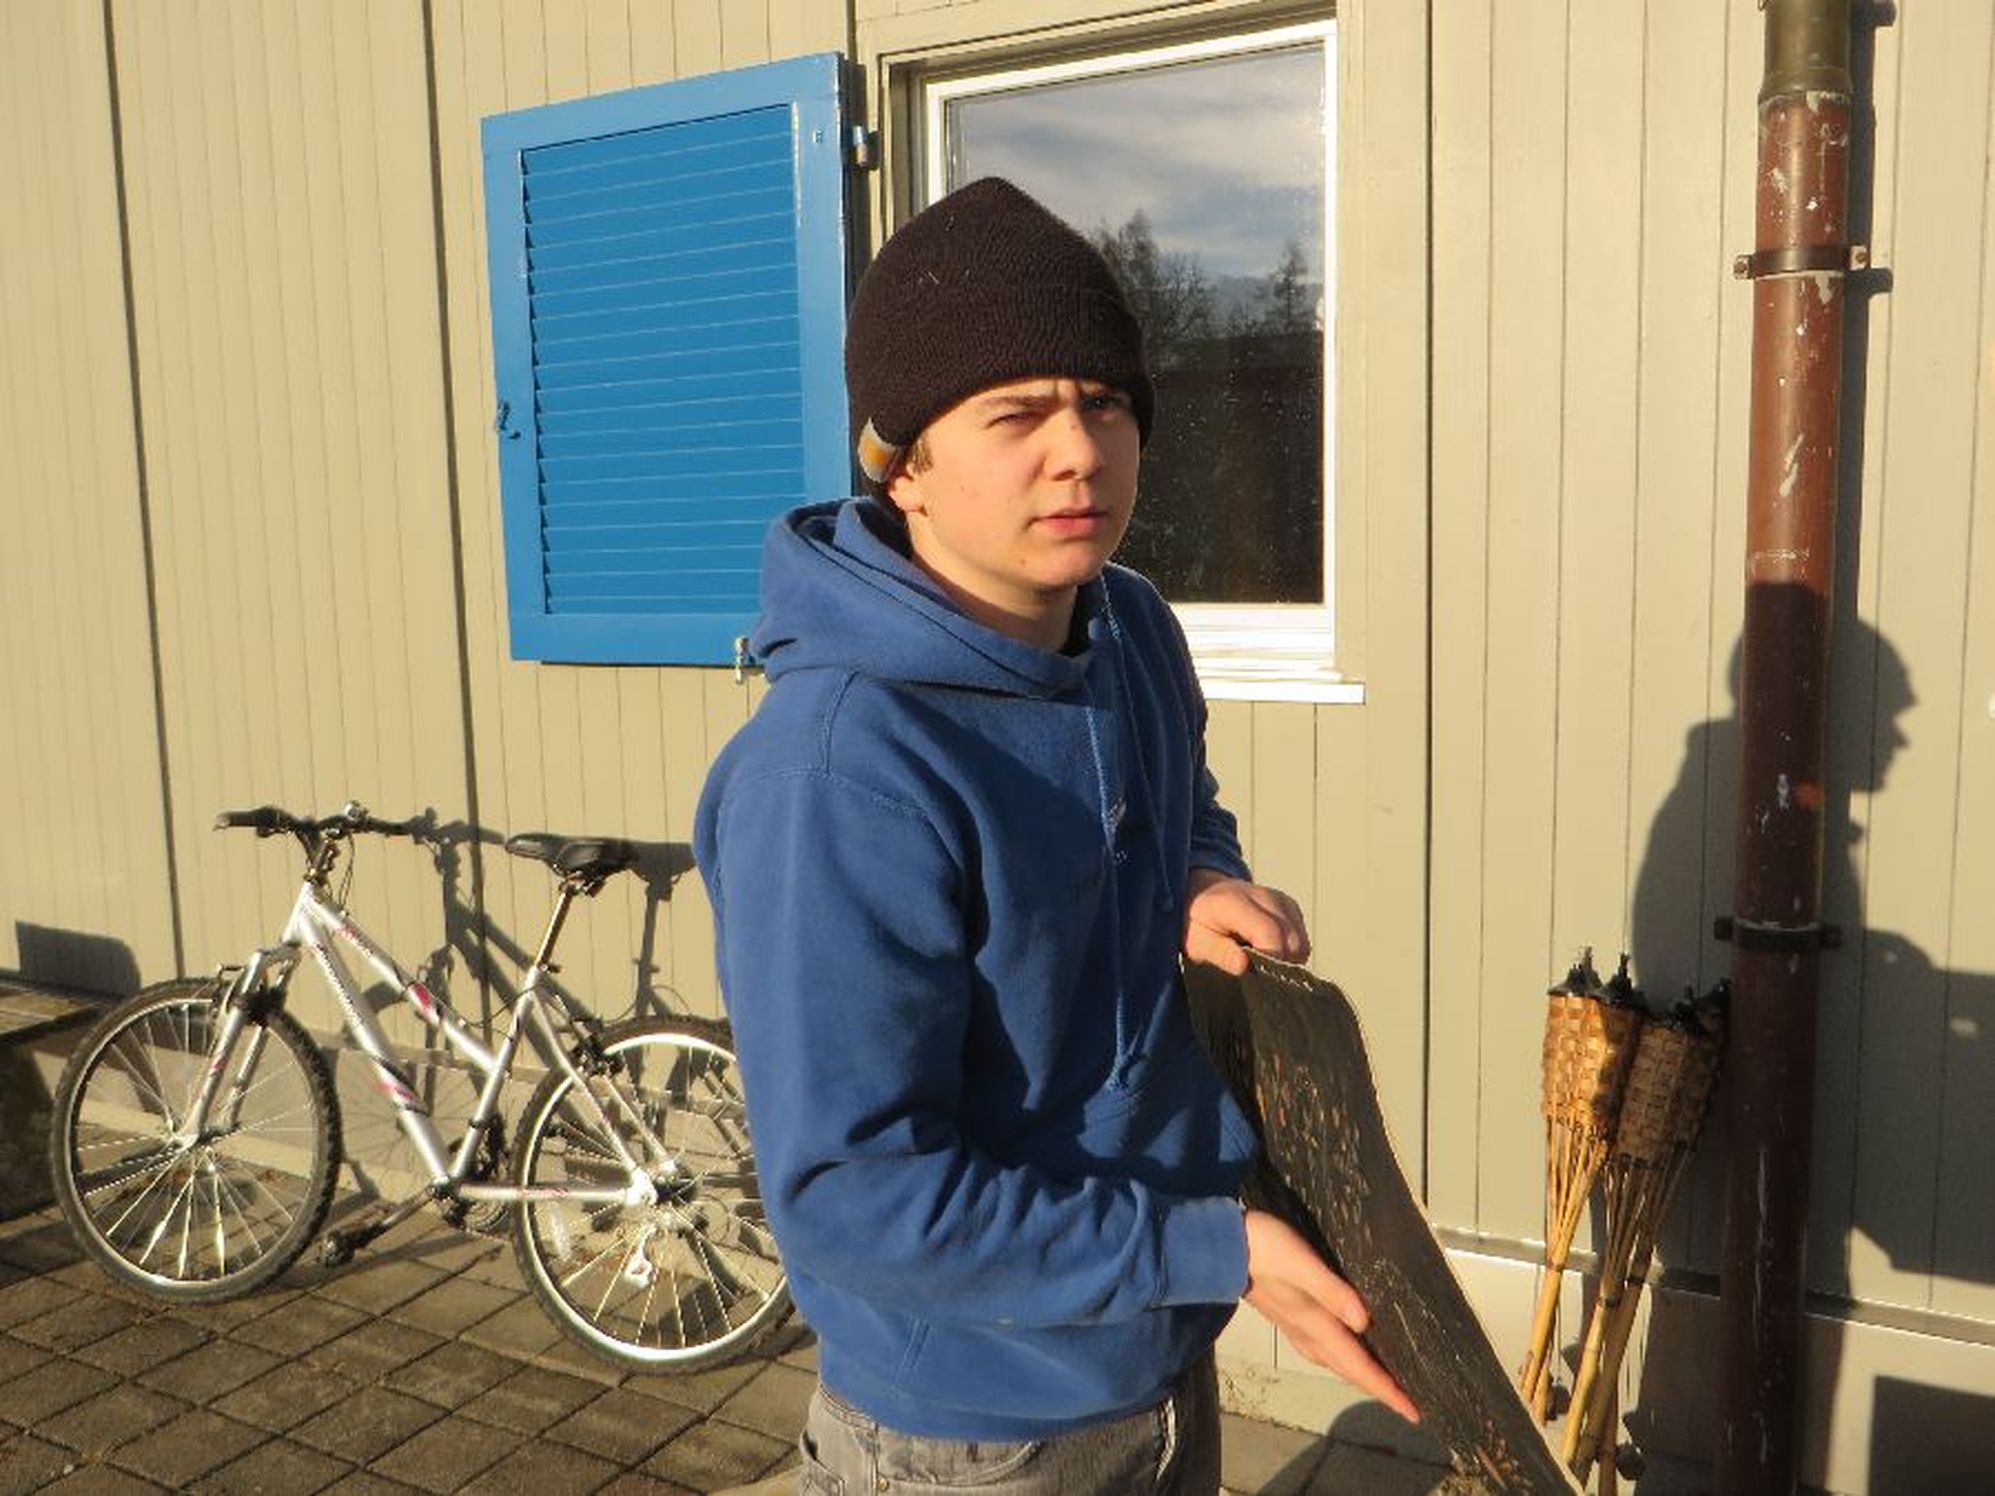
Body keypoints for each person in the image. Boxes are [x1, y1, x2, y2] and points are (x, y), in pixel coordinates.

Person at [694, 177, 1414, 1494]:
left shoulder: (1128, 624)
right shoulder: (841, 773)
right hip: (972, 1428)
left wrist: (1200, 872)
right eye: (1015, 414)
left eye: (1106, 403)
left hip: (1158, 1345)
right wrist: (1214, 1251)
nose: (1079, 450)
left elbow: (1180, 791)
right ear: (904, 463)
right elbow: (854, 1198)